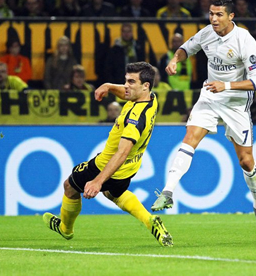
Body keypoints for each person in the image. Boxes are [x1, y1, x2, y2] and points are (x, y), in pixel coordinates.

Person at [151, 0, 256, 238]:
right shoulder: (207, 33)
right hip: (210, 96)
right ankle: (168, 192)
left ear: (231, 17)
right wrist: (175, 59)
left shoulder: (244, 41)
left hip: (236, 103)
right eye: (211, 14)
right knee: (190, 136)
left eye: (219, 15)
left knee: (246, 161)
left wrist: (225, 86)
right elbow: (186, 48)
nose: (214, 19)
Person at [43, 62, 173, 247]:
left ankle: (65, 229)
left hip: (107, 165)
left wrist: (98, 181)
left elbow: (122, 152)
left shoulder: (135, 119)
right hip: (130, 169)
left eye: (131, 82)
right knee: (113, 193)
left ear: (145, 85)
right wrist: (110, 87)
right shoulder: (150, 98)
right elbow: (126, 92)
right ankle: (149, 220)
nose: (126, 86)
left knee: (69, 186)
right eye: (125, 81)